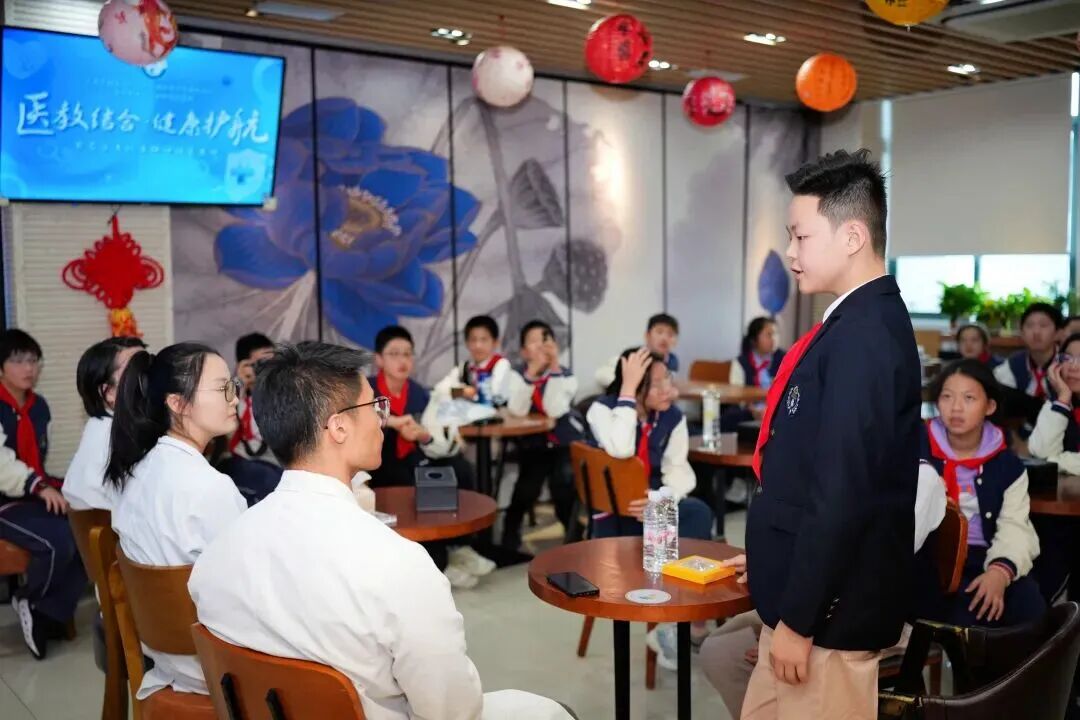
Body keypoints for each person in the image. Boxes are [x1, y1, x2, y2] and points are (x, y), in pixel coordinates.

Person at [188, 342, 574, 720]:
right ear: (339, 427)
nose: (381, 419)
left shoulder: (219, 554)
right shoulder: (399, 565)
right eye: (374, 406)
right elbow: (453, 710)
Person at [743, 149, 921, 720]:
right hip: (802, 606)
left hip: (825, 621)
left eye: (801, 237)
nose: (791, 253)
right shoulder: (852, 322)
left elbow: (842, 491)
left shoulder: (865, 335)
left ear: (851, 237)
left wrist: (800, 621)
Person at [702, 464, 948, 718]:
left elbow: (870, 566)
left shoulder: (920, 479)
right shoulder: (831, 470)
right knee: (720, 650)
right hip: (806, 596)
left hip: (875, 616)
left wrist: (789, 634)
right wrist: (764, 560)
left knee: (785, 663)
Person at [107, 342, 247, 700]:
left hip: (167, 659)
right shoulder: (209, 487)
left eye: (234, 386)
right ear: (177, 403)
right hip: (218, 668)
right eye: (222, 388)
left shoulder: (136, 472)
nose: (235, 398)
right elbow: (248, 590)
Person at [587, 346, 715, 670]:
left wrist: (659, 499)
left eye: (667, 379)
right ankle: (684, 619)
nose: (668, 389)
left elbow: (679, 471)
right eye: (655, 384)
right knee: (692, 534)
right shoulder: (602, 409)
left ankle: (670, 623)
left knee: (698, 512)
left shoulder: (672, 417)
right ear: (634, 386)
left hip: (655, 511)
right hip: (617, 519)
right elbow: (620, 448)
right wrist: (628, 393)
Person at [918, 359, 1045, 627]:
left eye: (969, 398)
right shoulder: (919, 447)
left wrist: (999, 572)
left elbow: (1014, 526)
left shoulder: (1007, 465)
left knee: (1029, 604)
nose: (956, 407)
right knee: (967, 614)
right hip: (931, 558)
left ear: (990, 406)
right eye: (947, 397)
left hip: (986, 555)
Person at [368, 325, 493, 588]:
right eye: (394, 354)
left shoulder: (419, 394)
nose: (402, 360)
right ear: (378, 359)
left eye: (407, 354)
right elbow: (353, 420)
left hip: (416, 457)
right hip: (377, 463)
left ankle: (459, 546)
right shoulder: (367, 390)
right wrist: (391, 422)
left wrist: (423, 435)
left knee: (459, 469)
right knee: (415, 482)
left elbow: (433, 437)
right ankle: (438, 562)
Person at [0, 329, 87, 659]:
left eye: (33, 360)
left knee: (84, 530)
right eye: (18, 361)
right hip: (5, 500)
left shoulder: (40, 407)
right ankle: (30, 599)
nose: (28, 368)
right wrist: (38, 485)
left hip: (28, 493)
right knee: (57, 540)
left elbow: (36, 459)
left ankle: (49, 612)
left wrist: (58, 485)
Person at [503, 320, 581, 553]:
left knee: (563, 487)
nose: (540, 346)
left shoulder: (566, 376)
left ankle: (575, 538)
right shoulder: (516, 375)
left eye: (545, 340)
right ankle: (508, 540)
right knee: (525, 489)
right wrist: (531, 374)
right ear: (523, 351)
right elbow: (516, 409)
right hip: (534, 443)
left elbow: (554, 410)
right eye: (533, 341)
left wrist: (553, 367)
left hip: (564, 442)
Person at [1025, 332, 1080, 607]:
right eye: (1068, 358)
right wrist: (1063, 398)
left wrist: (1059, 460)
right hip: (1059, 514)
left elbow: (1051, 459)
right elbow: (1040, 453)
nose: (1074, 367)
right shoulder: (1060, 402)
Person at [64, 336, 146, 511]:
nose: (150, 376)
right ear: (108, 392)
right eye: (137, 369)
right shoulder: (118, 437)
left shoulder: (101, 426)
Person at [221, 332, 282, 504]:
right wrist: (240, 381)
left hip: (277, 463)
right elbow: (223, 428)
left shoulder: (282, 391)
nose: (268, 368)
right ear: (245, 365)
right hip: (244, 462)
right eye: (261, 363)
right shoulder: (233, 392)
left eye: (272, 361)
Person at [433, 315, 512, 404]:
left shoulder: (501, 364)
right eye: (473, 340)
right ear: (467, 343)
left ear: (495, 343)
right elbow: (439, 389)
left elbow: (498, 394)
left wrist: (473, 392)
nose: (478, 346)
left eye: (484, 340)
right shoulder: (464, 367)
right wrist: (462, 391)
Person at [994, 302, 1063, 400]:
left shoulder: (1068, 364)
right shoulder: (1013, 364)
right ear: (1022, 333)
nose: (1036, 332)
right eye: (1030, 326)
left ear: (1058, 333)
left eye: (1043, 325)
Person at [594, 313, 680, 390]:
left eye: (670, 334)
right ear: (647, 336)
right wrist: (633, 383)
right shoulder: (634, 356)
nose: (664, 338)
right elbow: (600, 375)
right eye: (659, 332)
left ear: (676, 341)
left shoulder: (673, 361)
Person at [729, 317, 786, 388]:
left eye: (775, 334)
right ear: (754, 338)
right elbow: (736, 391)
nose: (773, 339)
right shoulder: (741, 362)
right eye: (768, 334)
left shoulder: (785, 359)